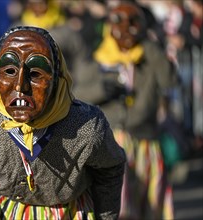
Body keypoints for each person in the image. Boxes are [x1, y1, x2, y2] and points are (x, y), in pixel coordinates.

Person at [0, 25, 126, 220]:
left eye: (36, 73)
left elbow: (110, 167)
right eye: (9, 71)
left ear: (56, 80)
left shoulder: (86, 128)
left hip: (61, 209)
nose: (21, 85)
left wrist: (105, 215)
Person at [73, 2, 178, 219]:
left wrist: (150, 47)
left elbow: (170, 80)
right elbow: (77, 94)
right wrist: (102, 89)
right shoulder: (99, 56)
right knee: (119, 206)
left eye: (133, 22)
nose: (127, 29)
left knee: (152, 204)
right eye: (120, 22)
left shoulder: (149, 54)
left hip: (146, 138)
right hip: (113, 139)